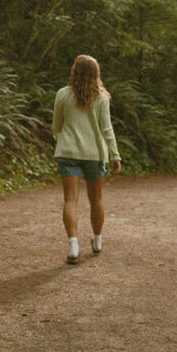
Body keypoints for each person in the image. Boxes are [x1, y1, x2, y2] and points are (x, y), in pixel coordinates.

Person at [52, 54, 121, 265]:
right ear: (96, 74)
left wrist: (63, 139)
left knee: (70, 200)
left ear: (75, 71)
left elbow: (56, 125)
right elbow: (106, 129)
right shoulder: (101, 97)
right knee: (96, 200)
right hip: (94, 155)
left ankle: (73, 246)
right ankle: (97, 240)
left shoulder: (63, 94)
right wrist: (115, 155)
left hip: (68, 152)